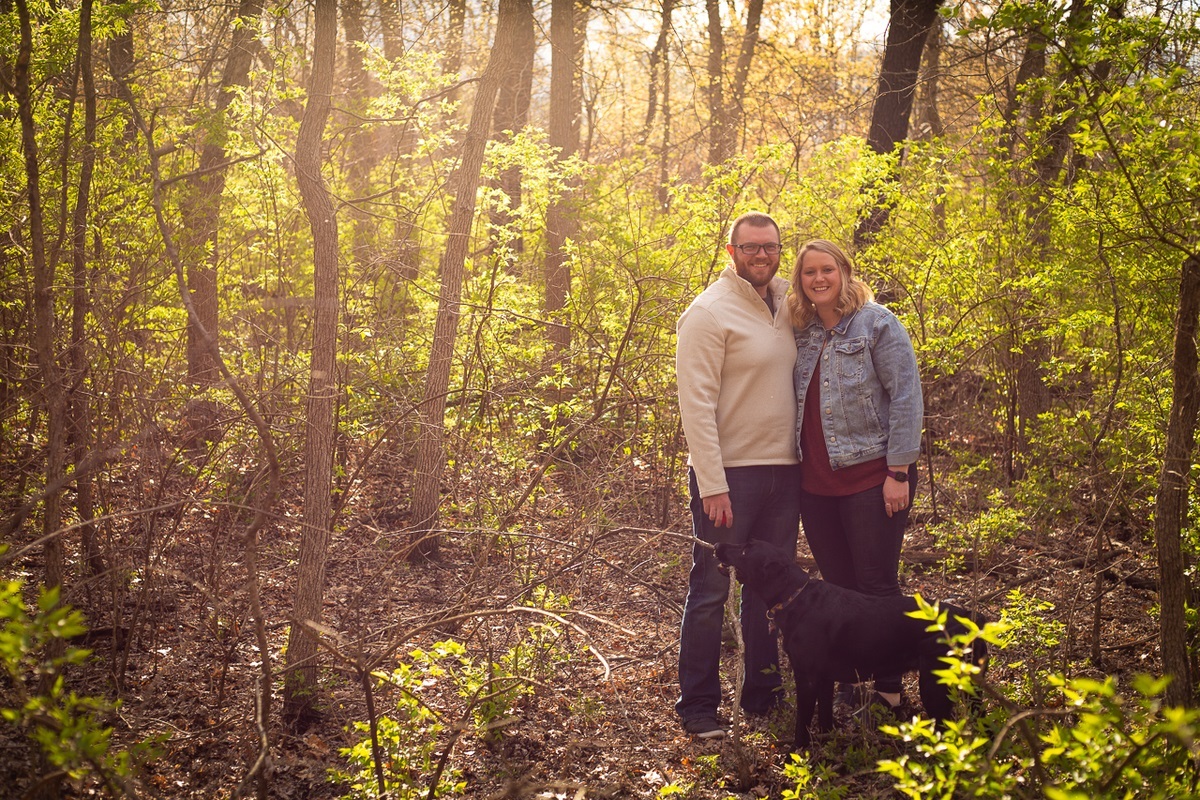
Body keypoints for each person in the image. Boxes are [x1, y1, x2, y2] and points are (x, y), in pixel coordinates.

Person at [675, 211, 802, 740]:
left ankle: (763, 697)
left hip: (785, 475)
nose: (761, 255)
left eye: (770, 247)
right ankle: (699, 706)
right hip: (730, 477)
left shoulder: (787, 306)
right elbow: (696, 404)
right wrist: (713, 483)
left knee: (768, 590)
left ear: (779, 251)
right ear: (731, 252)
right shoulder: (708, 312)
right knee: (711, 589)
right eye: (750, 247)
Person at [788, 238, 923, 713]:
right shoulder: (802, 332)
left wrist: (899, 472)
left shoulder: (877, 323)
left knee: (877, 588)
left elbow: (906, 396)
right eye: (809, 273)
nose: (818, 279)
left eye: (827, 270)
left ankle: (888, 691)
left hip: (873, 479)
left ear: (844, 272)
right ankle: (850, 681)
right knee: (838, 589)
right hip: (815, 487)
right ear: (799, 281)